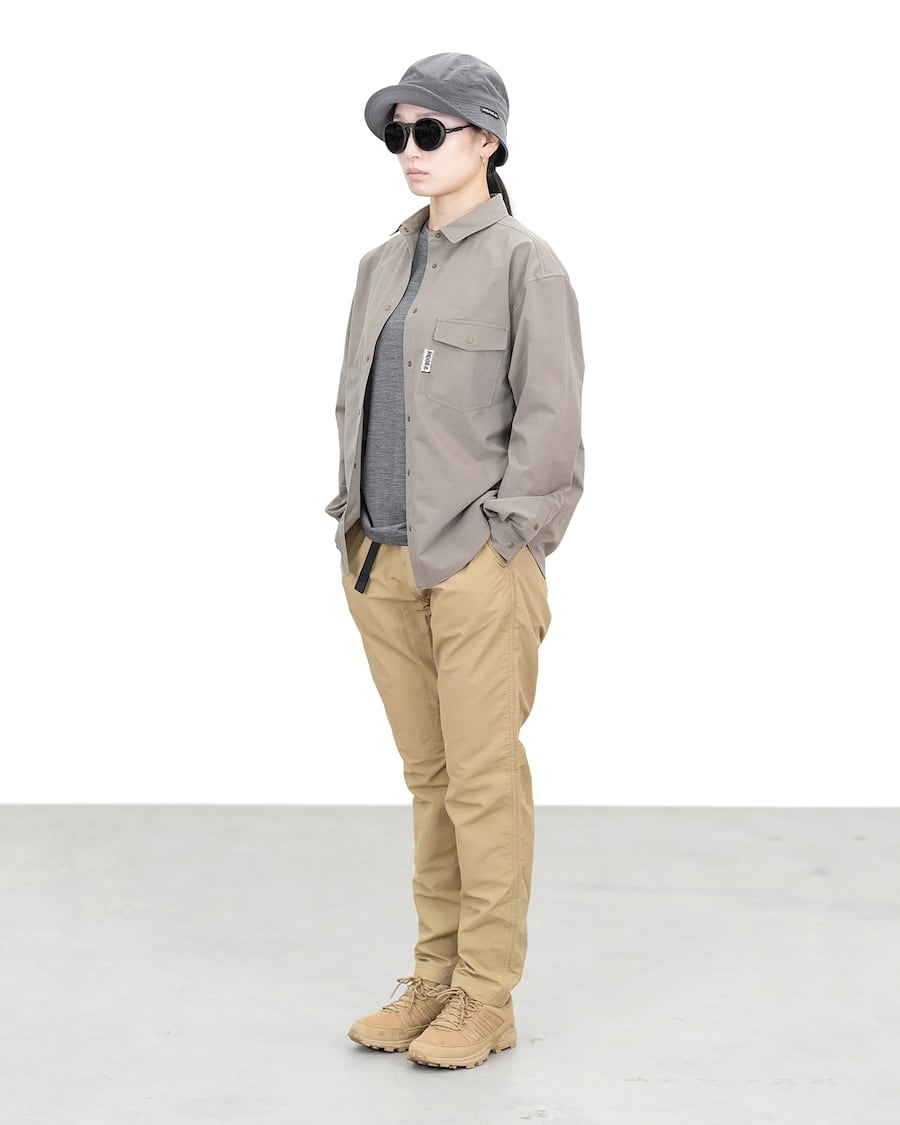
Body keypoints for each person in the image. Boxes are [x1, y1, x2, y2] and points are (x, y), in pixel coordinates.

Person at [324, 52, 585, 1069]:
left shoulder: (527, 265)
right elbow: (355, 401)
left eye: (429, 131)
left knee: (482, 781)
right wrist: (352, 519)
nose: (409, 150)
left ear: (486, 140)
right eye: (398, 133)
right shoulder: (381, 265)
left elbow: (553, 430)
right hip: (382, 560)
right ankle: (433, 976)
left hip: (475, 566)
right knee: (430, 780)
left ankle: (487, 994)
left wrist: (504, 540)